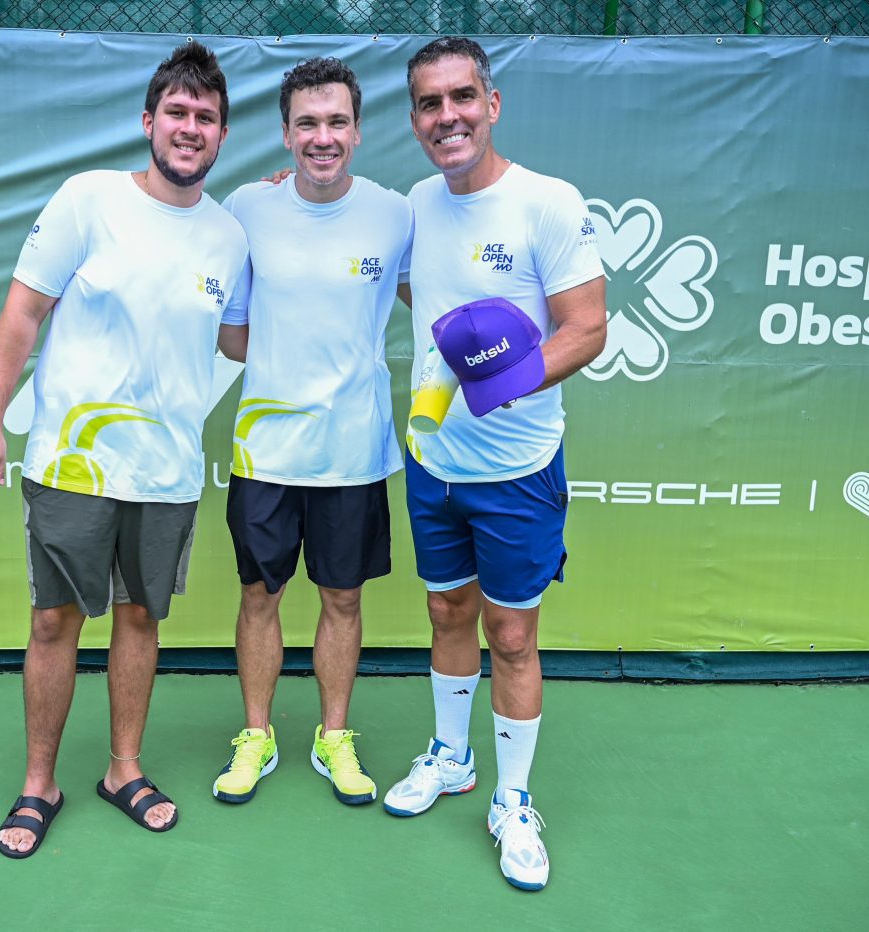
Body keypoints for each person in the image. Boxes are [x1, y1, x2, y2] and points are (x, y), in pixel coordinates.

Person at [0, 41, 250, 858]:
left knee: (139, 617)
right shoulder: (88, 200)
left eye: (206, 117)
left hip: (166, 471)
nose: (190, 128)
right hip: (72, 462)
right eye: (178, 113)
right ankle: (38, 784)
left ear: (223, 133)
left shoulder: (230, 237)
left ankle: (123, 769)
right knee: (54, 621)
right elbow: (23, 314)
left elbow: (237, 341)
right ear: (149, 120)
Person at [382, 37, 607, 892]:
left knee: (511, 634)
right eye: (431, 105)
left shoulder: (547, 202)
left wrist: (501, 378)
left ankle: (513, 800)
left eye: (462, 98)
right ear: (415, 121)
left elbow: (586, 328)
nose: (449, 118)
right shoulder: (416, 203)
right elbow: (420, 292)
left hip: (518, 465)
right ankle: (450, 757)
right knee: (446, 612)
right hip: (432, 460)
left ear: (492, 102)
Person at [209, 57, 413, 807]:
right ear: (286, 133)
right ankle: (256, 735)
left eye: (336, 122)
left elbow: (436, 296)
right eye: (307, 123)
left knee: (344, 601)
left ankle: (334, 736)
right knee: (259, 596)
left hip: (354, 452)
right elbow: (234, 337)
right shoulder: (245, 209)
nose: (322, 137)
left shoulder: (397, 213)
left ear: (357, 130)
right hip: (266, 449)